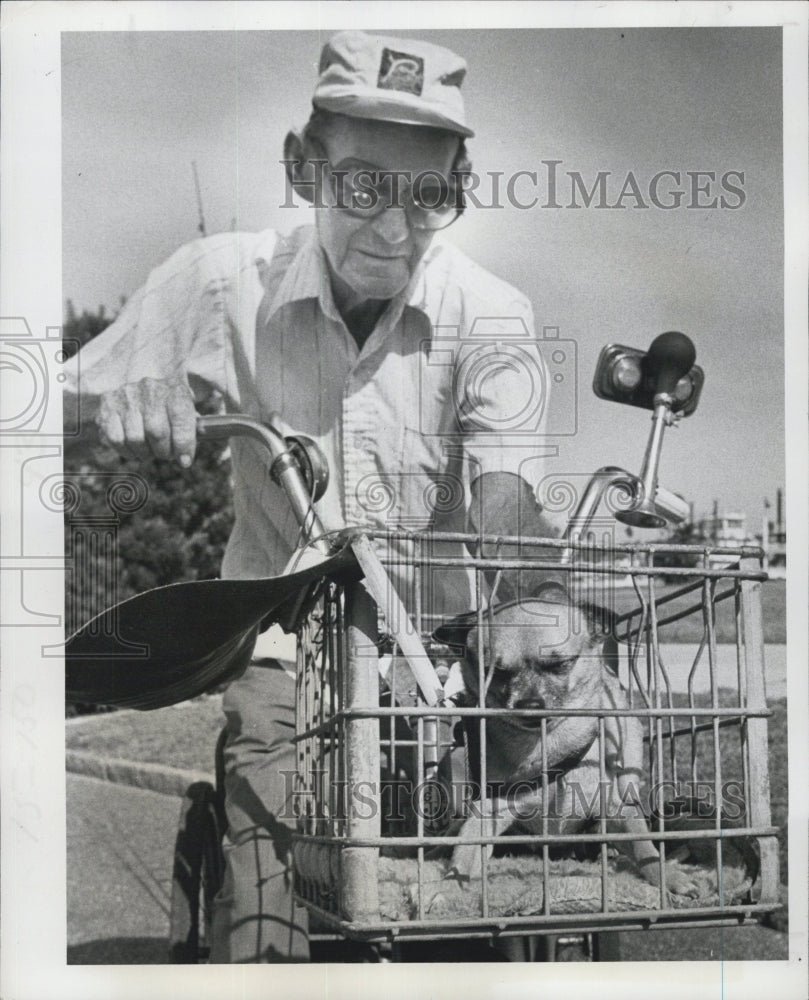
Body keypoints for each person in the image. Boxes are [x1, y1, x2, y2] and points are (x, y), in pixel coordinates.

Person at [64, 30, 555, 962]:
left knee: (472, 908)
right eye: (363, 185)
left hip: (434, 664)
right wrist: (111, 411)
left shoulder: (490, 312)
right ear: (304, 165)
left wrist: (545, 603)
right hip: (279, 645)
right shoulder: (218, 280)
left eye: (430, 195)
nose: (394, 228)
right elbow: (41, 419)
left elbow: (508, 501)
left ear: (459, 186)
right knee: (268, 862)